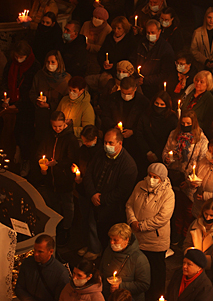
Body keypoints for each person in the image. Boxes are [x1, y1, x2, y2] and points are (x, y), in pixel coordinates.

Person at [83, 129, 138, 252]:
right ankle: (95, 250)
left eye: (111, 143)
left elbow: (122, 191)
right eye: (105, 142)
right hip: (94, 200)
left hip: (112, 209)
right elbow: (89, 173)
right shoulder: (100, 154)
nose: (107, 146)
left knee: (108, 236)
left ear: (120, 143)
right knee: (93, 227)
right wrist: (92, 193)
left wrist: (102, 199)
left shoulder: (128, 165)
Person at [126, 163, 175, 299]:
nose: (151, 179)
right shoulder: (139, 186)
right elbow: (129, 204)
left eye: (155, 177)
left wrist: (142, 225)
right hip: (137, 238)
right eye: (150, 175)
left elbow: (162, 217)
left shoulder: (168, 194)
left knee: (156, 272)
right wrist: (132, 221)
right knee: (140, 270)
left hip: (155, 241)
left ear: (162, 179)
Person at [162, 110, 208, 242]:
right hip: (175, 176)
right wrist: (167, 158)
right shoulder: (174, 135)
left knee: (188, 210)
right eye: (183, 123)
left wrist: (189, 181)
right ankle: (176, 233)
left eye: (188, 123)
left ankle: (185, 235)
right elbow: (165, 151)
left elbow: (202, 162)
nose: (185, 125)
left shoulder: (201, 140)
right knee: (176, 208)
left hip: (190, 180)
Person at [37, 111, 79, 246]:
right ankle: (54, 227)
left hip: (64, 178)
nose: (58, 129)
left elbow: (72, 158)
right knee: (52, 203)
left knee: (67, 204)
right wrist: (43, 163)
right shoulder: (49, 135)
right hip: (51, 178)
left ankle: (66, 229)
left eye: (60, 126)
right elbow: (41, 150)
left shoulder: (70, 139)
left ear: (65, 123)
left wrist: (58, 163)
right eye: (55, 126)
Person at [1, 41, 40, 177]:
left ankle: (25, 159)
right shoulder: (11, 64)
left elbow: (31, 90)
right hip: (11, 101)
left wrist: (18, 105)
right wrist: (5, 98)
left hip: (26, 106)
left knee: (24, 135)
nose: (18, 59)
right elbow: (5, 81)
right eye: (16, 56)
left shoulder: (35, 67)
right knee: (9, 131)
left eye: (21, 56)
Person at [100, 77, 149, 166]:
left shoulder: (143, 102)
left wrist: (133, 131)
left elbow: (145, 122)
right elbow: (104, 116)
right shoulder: (113, 98)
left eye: (129, 93)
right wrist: (113, 127)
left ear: (135, 89)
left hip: (134, 142)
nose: (126, 96)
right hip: (115, 137)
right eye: (123, 93)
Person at [100, 223, 151, 301]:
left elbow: (144, 284)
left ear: (126, 239)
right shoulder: (108, 252)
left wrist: (121, 286)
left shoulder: (139, 258)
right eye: (110, 239)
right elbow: (102, 271)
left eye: (115, 240)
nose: (111, 242)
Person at [30, 50, 71, 145]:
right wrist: (37, 101)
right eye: (48, 62)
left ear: (58, 63)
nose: (50, 64)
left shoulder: (66, 79)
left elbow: (67, 100)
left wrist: (49, 105)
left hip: (57, 119)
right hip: (41, 118)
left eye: (53, 62)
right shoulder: (40, 76)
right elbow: (32, 92)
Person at [75, 125, 103, 260]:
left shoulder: (99, 153)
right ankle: (87, 244)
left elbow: (95, 173)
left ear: (95, 139)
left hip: (93, 191)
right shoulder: (82, 150)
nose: (85, 144)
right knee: (84, 219)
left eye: (87, 141)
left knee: (92, 222)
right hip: (82, 190)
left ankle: (95, 248)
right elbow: (77, 162)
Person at [15, 234, 69, 301]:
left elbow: (60, 298)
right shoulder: (27, 263)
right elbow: (19, 288)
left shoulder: (61, 273)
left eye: (40, 252)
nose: (36, 254)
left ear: (51, 252)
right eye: (35, 250)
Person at [131, 19, 175, 99]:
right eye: (148, 32)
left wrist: (146, 80)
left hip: (154, 87)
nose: (150, 35)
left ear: (159, 32)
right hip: (138, 80)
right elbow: (133, 59)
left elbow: (165, 74)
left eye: (153, 32)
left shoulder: (165, 49)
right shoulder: (141, 43)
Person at [135, 91, 178, 166]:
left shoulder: (172, 119)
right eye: (157, 103)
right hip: (145, 153)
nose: (159, 106)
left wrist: (158, 154)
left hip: (163, 154)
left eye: (162, 104)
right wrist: (148, 152)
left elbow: (172, 139)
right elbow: (139, 134)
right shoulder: (146, 115)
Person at [183, 198, 213, 268]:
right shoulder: (195, 224)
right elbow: (186, 244)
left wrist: (202, 259)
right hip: (191, 264)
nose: (207, 218)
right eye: (206, 214)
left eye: (212, 215)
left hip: (208, 268)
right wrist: (190, 253)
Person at [57, 76, 95, 140]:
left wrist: (69, 129)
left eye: (74, 91)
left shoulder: (86, 107)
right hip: (61, 136)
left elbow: (88, 130)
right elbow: (57, 115)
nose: (71, 92)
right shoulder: (64, 100)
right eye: (70, 90)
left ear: (81, 91)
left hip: (76, 139)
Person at [180, 70, 213, 135]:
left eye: (202, 82)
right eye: (197, 81)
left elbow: (208, 123)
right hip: (181, 125)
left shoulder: (210, 100)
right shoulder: (189, 92)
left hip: (196, 131)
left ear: (208, 84)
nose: (198, 83)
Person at [80, 7, 112, 75]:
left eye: (99, 18)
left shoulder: (108, 30)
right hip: (84, 58)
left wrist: (91, 47)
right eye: (95, 17)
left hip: (97, 61)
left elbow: (105, 48)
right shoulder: (86, 24)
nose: (97, 19)